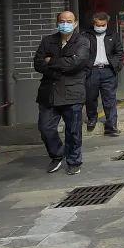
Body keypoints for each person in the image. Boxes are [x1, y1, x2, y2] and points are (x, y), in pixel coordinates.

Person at [34, 11, 91, 174]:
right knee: (45, 128)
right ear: (57, 23)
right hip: (49, 92)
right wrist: (60, 68)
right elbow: (38, 64)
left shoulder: (82, 41)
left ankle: (74, 160)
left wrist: (51, 61)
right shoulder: (48, 41)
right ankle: (57, 154)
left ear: (75, 23)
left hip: (72, 93)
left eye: (69, 21)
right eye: (62, 21)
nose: (65, 24)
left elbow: (76, 63)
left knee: (73, 130)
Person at [84, 11, 123, 137]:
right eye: (98, 25)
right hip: (92, 71)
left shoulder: (113, 35)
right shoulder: (86, 36)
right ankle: (92, 119)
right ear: (93, 23)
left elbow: (119, 52)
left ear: (107, 24)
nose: (100, 27)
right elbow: (82, 52)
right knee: (90, 97)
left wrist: (116, 65)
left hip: (108, 71)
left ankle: (111, 126)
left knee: (110, 99)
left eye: (103, 25)